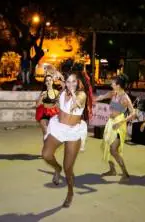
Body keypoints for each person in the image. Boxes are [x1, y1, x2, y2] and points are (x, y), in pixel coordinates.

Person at [41, 71, 92, 208]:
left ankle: (70, 192)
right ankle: (57, 169)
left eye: (73, 82)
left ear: (79, 82)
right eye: (68, 81)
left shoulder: (81, 95)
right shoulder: (63, 91)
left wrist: (69, 88)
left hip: (73, 132)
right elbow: (56, 103)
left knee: (68, 168)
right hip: (58, 127)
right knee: (46, 154)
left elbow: (77, 103)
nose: (70, 84)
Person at [95, 74, 136, 180]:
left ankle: (125, 172)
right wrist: (90, 99)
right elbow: (100, 97)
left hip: (119, 123)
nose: (111, 83)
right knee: (107, 146)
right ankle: (112, 170)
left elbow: (133, 113)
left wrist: (122, 122)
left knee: (114, 150)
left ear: (118, 85)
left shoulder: (125, 97)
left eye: (113, 82)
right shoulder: (113, 93)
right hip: (110, 122)